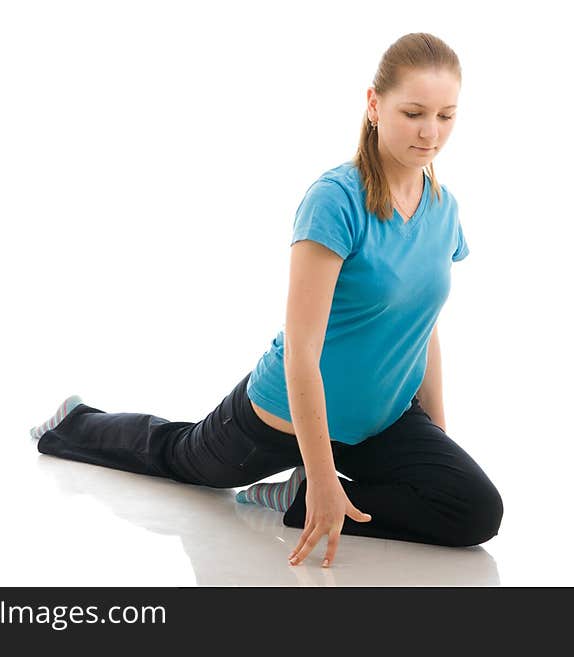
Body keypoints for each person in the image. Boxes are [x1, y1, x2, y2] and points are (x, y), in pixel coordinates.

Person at [29, 32, 503, 569]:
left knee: (476, 511)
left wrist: (437, 433)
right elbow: (302, 350)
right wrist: (325, 477)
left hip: (384, 418)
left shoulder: (443, 208)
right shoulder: (335, 201)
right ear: (374, 104)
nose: (430, 132)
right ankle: (73, 423)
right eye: (414, 112)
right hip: (285, 415)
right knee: (182, 458)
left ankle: (293, 497)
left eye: (446, 116)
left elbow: (423, 325)